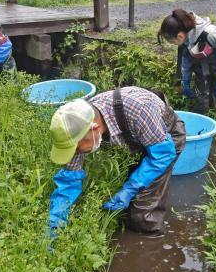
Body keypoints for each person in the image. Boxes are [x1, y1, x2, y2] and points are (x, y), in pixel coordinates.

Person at [48, 87, 186, 237]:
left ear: (94, 128)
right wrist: (55, 221)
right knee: (130, 203)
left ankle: (150, 242)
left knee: (143, 211)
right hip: (139, 136)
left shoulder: (139, 109)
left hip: (164, 141)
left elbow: (163, 154)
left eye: (76, 148)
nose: (76, 153)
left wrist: (130, 188)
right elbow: (69, 179)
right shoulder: (78, 126)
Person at [159, 9, 216, 114]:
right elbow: (186, 60)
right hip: (203, 70)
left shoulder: (211, 33)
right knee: (201, 100)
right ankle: (202, 116)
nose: (173, 44)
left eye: (172, 42)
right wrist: (186, 80)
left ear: (180, 36)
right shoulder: (186, 39)